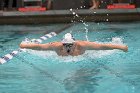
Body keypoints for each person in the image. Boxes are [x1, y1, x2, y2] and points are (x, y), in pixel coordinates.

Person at [20, 33, 128, 56]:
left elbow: (102, 46)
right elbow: (40, 47)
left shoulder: (82, 45)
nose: (68, 47)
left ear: (74, 43)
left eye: (70, 45)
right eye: (66, 45)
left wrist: (121, 47)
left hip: (85, 56)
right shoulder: (57, 46)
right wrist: (24, 45)